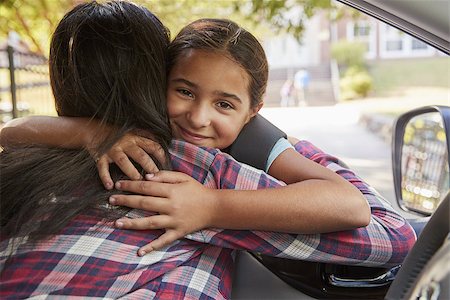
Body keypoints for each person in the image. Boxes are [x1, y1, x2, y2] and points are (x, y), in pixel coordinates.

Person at [0, 1, 416, 298]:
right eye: (183, 91)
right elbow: (389, 234)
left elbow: (11, 130)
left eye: (224, 104)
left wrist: (88, 132)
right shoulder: (185, 171)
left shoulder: (16, 166)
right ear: (157, 79)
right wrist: (267, 152)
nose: (198, 119)